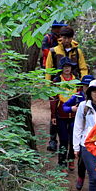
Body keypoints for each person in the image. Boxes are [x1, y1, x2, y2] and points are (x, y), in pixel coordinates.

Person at [62, 74, 94, 190]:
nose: (87, 88)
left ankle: (95, 181)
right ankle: (81, 176)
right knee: (81, 159)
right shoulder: (77, 96)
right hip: (80, 131)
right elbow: (64, 106)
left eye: (89, 86)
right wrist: (72, 109)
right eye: (85, 86)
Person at [50, 57, 79, 170]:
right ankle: (62, 163)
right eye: (65, 66)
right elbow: (53, 99)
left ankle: (71, 160)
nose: (67, 68)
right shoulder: (57, 81)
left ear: (71, 67)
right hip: (61, 115)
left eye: (69, 66)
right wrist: (53, 115)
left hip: (74, 115)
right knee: (63, 140)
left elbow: (80, 96)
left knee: (73, 139)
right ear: (62, 68)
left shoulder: (76, 80)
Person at [42, 20, 67, 153]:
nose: (58, 30)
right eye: (56, 27)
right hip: (53, 77)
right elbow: (45, 52)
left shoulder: (68, 44)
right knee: (55, 111)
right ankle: (52, 140)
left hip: (67, 79)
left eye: (60, 27)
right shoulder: (49, 38)